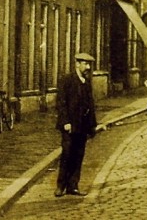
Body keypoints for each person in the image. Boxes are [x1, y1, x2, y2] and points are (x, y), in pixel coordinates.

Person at [55, 52, 99, 197]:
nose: (87, 67)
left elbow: (90, 105)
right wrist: (65, 121)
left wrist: (93, 125)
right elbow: (61, 103)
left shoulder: (86, 83)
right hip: (69, 126)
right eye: (85, 64)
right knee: (67, 154)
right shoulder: (66, 80)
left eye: (89, 65)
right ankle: (61, 185)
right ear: (77, 64)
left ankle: (73, 185)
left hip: (82, 126)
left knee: (78, 155)